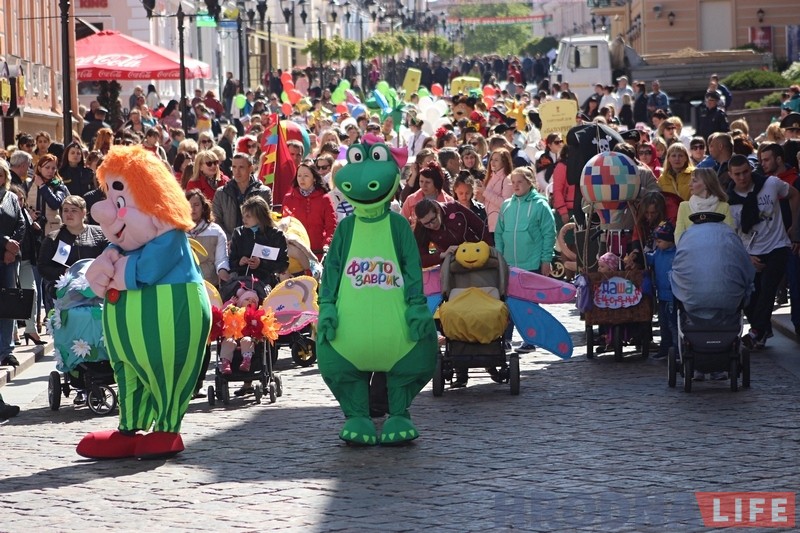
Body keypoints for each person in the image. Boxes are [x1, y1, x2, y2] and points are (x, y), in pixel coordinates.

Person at [727, 154, 800, 350]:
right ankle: (763, 329)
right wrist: (747, 258)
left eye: (745, 172)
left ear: (751, 170)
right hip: (750, 251)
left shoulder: (771, 183)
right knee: (751, 297)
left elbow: (794, 195)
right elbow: (733, 236)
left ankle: (756, 332)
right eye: (737, 174)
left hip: (777, 245)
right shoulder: (729, 202)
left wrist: (794, 225)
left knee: (768, 290)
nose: (742, 177)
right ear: (730, 175)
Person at [494, 167, 555, 352]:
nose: (516, 186)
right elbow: (499, 233)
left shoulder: (540, 205)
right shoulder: (506, 205)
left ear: (530, 182)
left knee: (529, 304)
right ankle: (505, 339)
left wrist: (546, 260)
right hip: (510, 265)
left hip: (532, 263)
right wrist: (499, 258)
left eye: (520, 182)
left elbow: (549, 233)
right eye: (513, 182)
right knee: (507, 303)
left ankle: (531, 339)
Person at [412, 197, 492, 269]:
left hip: (475, 254)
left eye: (433, 219)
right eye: (426, 223)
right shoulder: (421, 227)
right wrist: (442, 255)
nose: (431, 225)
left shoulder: (454, 208)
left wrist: (486, 249)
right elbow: (420, 259)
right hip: (451, 263)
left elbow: (481, 227)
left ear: (438, 210)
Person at [281, 163, 337, 260]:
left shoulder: (324, 199)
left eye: (306, 176)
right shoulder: (288, 198)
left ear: (314, 178)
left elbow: (331, 226)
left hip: (319, 253)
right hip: (296, 254)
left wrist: (327, 245)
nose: (301, 179)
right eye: (299, 176)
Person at [10, 184, 42, 346]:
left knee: (32, 292)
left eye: (22, 199)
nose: (21, 202)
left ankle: (30, 329)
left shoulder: (25, 213)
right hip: (11, 259)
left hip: (27, 259)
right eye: (18, 200)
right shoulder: (8, 215)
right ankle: (13, 331)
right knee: (12, 295)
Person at [212, 153, 273, 239]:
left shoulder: (264, 192)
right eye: (234, 167)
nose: (237, 171)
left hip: (256, 242)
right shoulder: (221, 193)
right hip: (228, 243)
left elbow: (266, 220)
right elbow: (216, 220)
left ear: (250, 168)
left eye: (241, 167)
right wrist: (230, 239)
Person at [1, 164, 25, 367]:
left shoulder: (10, 198)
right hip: (3, 250)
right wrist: (5, 243)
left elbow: (21, 223)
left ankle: (6, 350)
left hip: (9, 259)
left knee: (8, 304)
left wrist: (12, 249)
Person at [645, 221, 678, 362]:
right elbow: (651, 258)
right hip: (662, 295)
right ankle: (665, 347)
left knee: (673, 324)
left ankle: (677, 349)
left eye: (659, 241)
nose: (657, 244)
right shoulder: (659, 252)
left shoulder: (677, 254)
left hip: (673, 296)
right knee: (663, 323)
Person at [674, 168, 734, 244]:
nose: (689, 184)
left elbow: (730, 235)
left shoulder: (723, 206)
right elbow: (679, 235)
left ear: (707, 184)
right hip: (691, 252)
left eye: (694, 181)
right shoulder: (684, 206)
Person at [400, 161, 455, 227]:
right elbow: (402, 224)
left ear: (436, 183)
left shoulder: (449, 201)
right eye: (421, 181)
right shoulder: (411, 200)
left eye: (427, 182)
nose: (423, 185)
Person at [28, 154, 69, 237]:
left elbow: (55, 204)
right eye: (47, 167)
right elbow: (22, 204)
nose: (50, 171)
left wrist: (42, 186)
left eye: (53, 168)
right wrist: (29, 213)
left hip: (53, 231)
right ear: (39, 168)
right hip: (32, 230)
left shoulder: (59, 186)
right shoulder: (28, 184)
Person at [475, 148, 513, 236]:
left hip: (501, 225)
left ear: (504, 162)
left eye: (496, 160)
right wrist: (479, 196)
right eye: (491, 159)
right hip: (489, 224)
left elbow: (505, 203)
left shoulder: (507, 179)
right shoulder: (491, 177)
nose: (492, 162)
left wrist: (485, 192)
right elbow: (487, 201)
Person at [657, 143, 693, 223]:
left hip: (691, 217)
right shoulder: (662, 179)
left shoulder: (695, 175)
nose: (677, 159)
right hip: (670, 220)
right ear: (668, 158)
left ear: (686, 158)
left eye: (680, 155)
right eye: (673, 156)